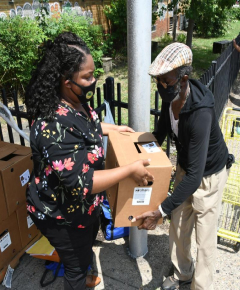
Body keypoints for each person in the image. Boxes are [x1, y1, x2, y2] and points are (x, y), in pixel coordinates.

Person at [25, 31, 154, 290]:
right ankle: (77, 277)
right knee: (75, 265)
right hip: (60, 215)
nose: (93, 81)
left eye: (93, 74)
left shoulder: (75, 102)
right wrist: (129, 170)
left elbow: (87, 124)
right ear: (66, 81)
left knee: (81, 256)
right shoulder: (53, 124)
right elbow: (82, 183)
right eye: (87, 77)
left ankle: (80, 268)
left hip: (81, 209)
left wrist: (112, 128)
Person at [131, 42, 234, 290]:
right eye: (157, 81)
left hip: (209, 175)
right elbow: (160, 134)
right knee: (177, 226)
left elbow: (197, 176)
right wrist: (133, 151)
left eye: (164, 80)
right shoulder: (171, 99)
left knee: (205, 238)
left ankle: (201, 285)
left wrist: (160, 210)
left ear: (183, 78)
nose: (160, 85)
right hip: (186, 168)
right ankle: (183, 274)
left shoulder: (201, 113)